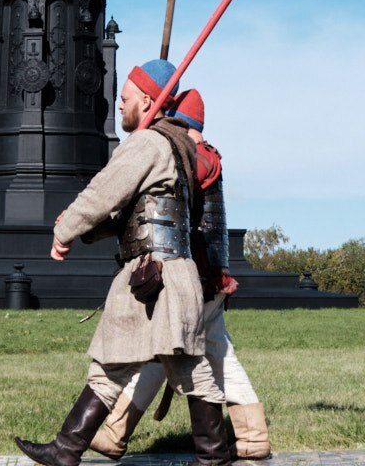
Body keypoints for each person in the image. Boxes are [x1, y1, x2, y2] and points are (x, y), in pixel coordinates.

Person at [16, 60, 232, 466]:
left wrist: (66, 230)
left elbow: (104, 192)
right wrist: (86, 229)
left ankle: (213, 456)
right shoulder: (169, 143)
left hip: (159, 275)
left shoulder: (149, 144)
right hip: (154, 274)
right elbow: (128, 211)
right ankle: (66, 448)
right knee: (114, 360)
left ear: (148, 101)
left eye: (126, 98)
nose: (119, 104)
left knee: (188, 367)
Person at [88, 89, 270, 461]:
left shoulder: (190, 153)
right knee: (185, 352)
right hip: (205, 277)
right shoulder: (196, 152)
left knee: (172, 352)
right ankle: (250, 438)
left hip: (196, 278)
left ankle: (115, 431)